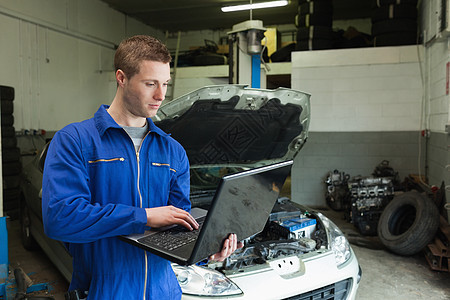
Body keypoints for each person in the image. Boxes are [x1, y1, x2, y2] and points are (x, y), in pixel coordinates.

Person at [42, 35, 242, 299]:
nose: (161, 95)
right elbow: (60, 218)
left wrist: (205, 249)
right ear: (122, 78)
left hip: (165, 291)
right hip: (105, 291)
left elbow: (179, 228)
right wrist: (143, 216)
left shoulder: (173, 151)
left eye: (165, 84)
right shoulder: (75, 141)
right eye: (150, 84)